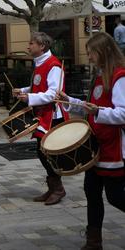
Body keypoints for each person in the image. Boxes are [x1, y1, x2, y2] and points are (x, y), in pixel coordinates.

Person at [56, 32, 125, 250]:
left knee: (115, 197)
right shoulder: (99, 76)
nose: (88, 57)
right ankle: (93, 241)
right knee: (92, 193)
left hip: (113, 148)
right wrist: (70, 101)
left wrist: (99, 112)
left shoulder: (120, 76)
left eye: (90, 53)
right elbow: (91, 107)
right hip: (95, 147)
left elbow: (122, 113)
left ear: (103, 51)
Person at [12, 32, 69, 205]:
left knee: (47, 153)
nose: (28, 47)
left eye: (31, 43)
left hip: (52, 115)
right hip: (43, 114)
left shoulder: (54, 66)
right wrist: (24, 91)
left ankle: (57, 188)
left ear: (42, 46)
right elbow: (37, 85)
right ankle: (54, 188)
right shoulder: (41, 63)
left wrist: (29, 98)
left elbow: (53, 94)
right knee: (42, 152)